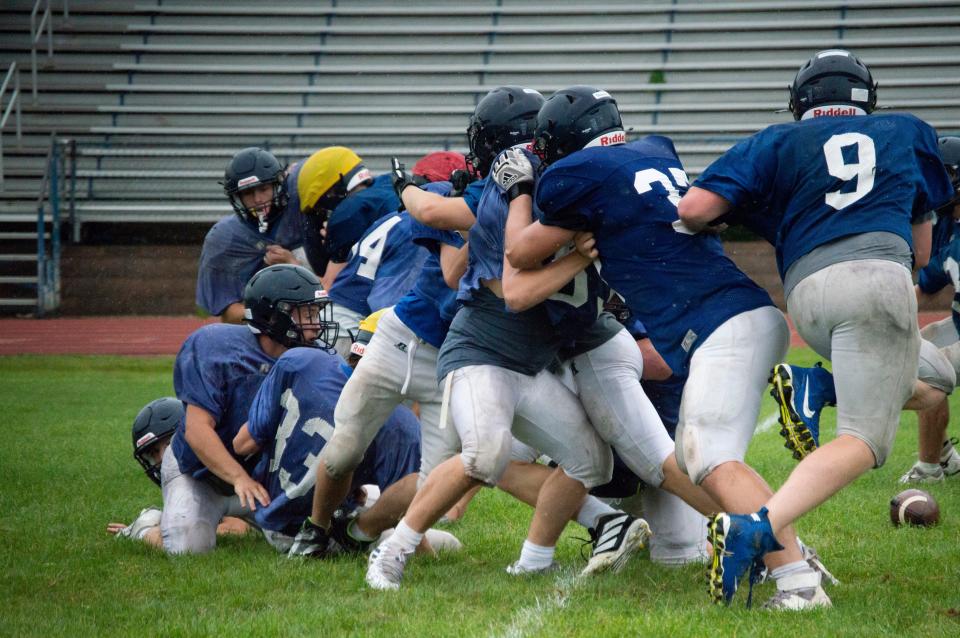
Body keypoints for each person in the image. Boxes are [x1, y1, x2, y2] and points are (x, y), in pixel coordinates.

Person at [502, 85, 821, 609]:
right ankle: (796, 557)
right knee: (712, 466)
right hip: (749, 315)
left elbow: (518, 252)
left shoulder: (578, 175)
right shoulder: (653, 151)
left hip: (722, 325)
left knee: (708, 459)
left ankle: (795, 579)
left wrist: (519, 191)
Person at [676, 49, 954, 608]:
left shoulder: (776, 140)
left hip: (806, 295)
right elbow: (922, 252)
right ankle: (756, 527)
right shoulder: (907, 132)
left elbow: (694, 208)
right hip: (877, 280)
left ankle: (815, 386)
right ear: (866, 98)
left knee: (937, 378)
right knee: (865, 441)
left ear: (801, 101)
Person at [366, 86, 646, 592]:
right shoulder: (505, 194)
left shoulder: (558, 188)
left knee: (591, 461)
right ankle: (393, 548)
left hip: (531, 362)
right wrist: (582, 253)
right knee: (484, 456)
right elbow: (513, 289)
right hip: (482, 351)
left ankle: (534, 562)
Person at [160, 263, 337, 554]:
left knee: (316, 545)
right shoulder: (215, 345)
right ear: (274, 315)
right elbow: (196, 430)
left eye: (316, 313)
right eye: (307, 313)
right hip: (200, 472)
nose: (316, 324)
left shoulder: (313, 356)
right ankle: (148, 525)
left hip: (265, 477)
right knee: (188, 546)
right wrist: (238, 478)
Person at [232, 342, 460, 556]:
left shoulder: (300, 360)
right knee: (449, 542)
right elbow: (407, 512)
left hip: (264, 503)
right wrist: (428, 557)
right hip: (299, 532)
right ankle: (350, 535)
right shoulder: (400, 426)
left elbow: (243, 444)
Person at [108, 397, 250, 547]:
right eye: (151, 454)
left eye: (167, 446)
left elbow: (238, 528)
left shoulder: (219, 471)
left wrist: (142, 531)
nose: (159, 459)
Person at [196, 147, 310, 323]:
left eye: (263, 188)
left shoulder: (300, 206)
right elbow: (228, 314)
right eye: (248, 193)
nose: (257, 199)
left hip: (317, 308)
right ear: (237, 197)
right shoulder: (228, 237)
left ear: (279, 183)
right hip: (262, 326)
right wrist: (272, 316)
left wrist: (293, 266)